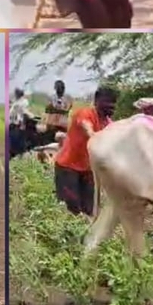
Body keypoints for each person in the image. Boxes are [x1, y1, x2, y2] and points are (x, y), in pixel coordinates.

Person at [54, 86, 116, 217]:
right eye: (107, 103)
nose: (110, 107)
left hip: (87, 170)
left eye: (113, 104)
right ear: (97, 101)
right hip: (68, 167)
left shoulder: (108, 123)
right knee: (71, 208)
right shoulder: (85, 114)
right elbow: (88, 130)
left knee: (89, 209)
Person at [8, 87, 34, 157]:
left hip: (11, 126)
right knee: (20, 147)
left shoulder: (15, 103)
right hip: (18, 126)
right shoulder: (24, 102)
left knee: (12, 147)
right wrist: (32, 116)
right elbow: (25, 113)